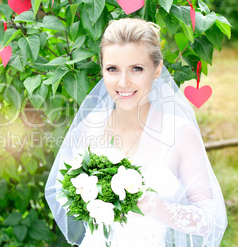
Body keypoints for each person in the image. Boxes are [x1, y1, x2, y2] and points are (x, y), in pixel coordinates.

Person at [45, 18, 227, 246]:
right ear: (102, 69)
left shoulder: (179, 134)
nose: (123, 82)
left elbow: (210, 220)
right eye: (112, 69)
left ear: (157, 70)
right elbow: (63, 193)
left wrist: (153, 206)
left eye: (137, 69)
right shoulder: (89, 128)